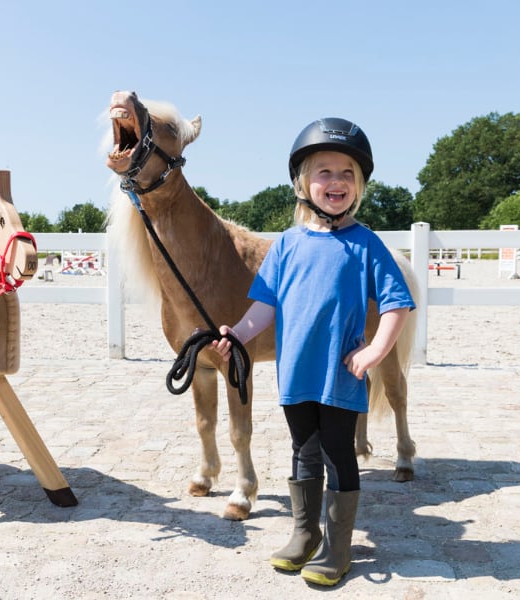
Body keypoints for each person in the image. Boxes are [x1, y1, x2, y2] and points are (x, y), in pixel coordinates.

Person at [211, 118, 415, 587]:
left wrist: (376, 352)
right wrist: (237, 334)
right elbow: (264, 307)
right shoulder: (286, 245)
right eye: (324, 171)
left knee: (339, 453)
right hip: (297, 374)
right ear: (304, 184)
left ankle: (337, 546)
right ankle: (304, 533)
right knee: (302, 452)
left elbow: (397, 303)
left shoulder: (365, 245)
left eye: (347, 173)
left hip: (342, 375)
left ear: (358, 185)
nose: (336, 181)